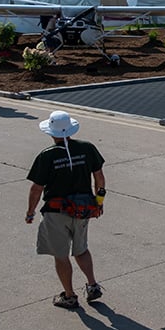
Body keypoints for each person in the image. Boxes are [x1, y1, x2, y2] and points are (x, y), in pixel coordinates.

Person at [25, 110, 106, 309]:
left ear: (51, 132)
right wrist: (99, 202)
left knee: (60, 255)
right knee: (81, 249)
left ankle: (69, 296)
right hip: (83, 209)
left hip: (56, 212)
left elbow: (37, 188)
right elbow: (99, 179)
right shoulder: (87, 149)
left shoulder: (47, 156)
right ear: (70, 129)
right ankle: (92, 285)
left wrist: (30, 212)